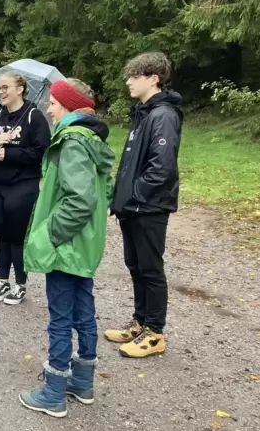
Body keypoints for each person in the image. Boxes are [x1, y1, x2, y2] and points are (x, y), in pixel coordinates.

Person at [18, 79, 114, 418]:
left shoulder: (72, 141)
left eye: (55, 102)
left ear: (70, 105)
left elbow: (79, 200)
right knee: (83, 312)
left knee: (60, 319)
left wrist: (49, 235)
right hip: (84, 244)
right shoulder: (91, 139)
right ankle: (82, 383)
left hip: (67, 246)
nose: (49, 108)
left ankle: (54, 392)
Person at [105, 52, 183, 358]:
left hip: (148, 208)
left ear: (154, 79)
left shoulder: (163, 115)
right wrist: (120, 199)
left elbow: (160, 170)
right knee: (135, 266)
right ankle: (139, 322)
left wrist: (133, 196)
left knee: (151, 270)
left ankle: (155, 333)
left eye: (135, 76)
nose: (128, 81)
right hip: (132, 207)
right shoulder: (143, 114)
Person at [0, 73, 51, 304]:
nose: (1, 92)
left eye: (5, 87)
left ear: (20, 89)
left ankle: (20, 283)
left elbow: (41, 151)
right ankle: (2, 280)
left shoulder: (33, 116)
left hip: (22, 185)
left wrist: (11, 153)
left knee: (17, 237)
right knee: (0, 235)